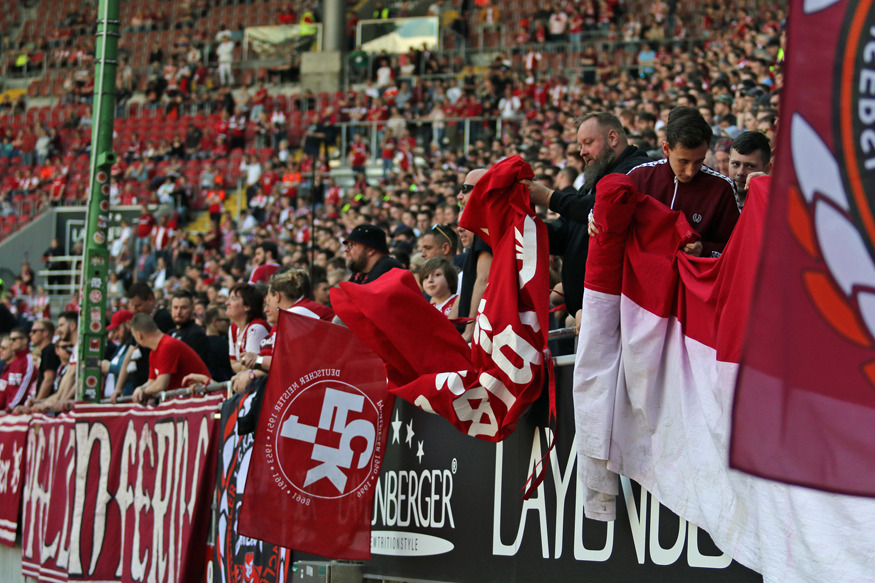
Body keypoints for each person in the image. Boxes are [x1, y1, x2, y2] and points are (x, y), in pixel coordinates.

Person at [526, 112, 652, 332]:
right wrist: (525, 225)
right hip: (590, 313)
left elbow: (602, 210)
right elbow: (565, 234)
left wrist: (548, 197)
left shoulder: (639, 170)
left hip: (620, 314)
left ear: (613, 138)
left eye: (588, 143)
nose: (582, 152)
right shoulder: (595, 178)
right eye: (580, 145)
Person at [626, 106, 739, 257]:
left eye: (698, 161)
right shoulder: (639, 178)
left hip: (693, 278)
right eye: (683, 162)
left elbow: (736, 248)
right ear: (666, 148)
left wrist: (703, 250)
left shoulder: (722, 188)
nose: (690, 171)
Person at [129, 313, 210, 404]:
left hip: (199, 398)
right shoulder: (154, 352)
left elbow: (161, 385)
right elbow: (152, 381)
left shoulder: (167, 346)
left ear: (139, 335)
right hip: (186, 400)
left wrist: (143, 392)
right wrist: (140, 388)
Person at [456, 169, 492, 343]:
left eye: (465, 188)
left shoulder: (487, 224)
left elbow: (484, 279)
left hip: (481, 331)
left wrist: (470, 329)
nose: (459, 196)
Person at [226, 282, 270, 377]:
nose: (227, 303)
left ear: (247, 306)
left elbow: (250, 366)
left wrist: (242, 365)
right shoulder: (233, 328)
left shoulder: (257, 328)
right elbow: (233, 365)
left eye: (233, 299)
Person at [728, 131, 772, 209]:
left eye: (750, 166)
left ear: (768, 169)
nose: (740, 172)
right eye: (735, 164)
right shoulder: (715, 200)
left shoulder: (776, 207)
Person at [169, 289, 210, 363]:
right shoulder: (170, 333)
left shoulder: (196, 334)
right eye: (175, 308)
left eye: (183, 308)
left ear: (192, 309)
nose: (178, 312)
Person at [103, 309, 136, 401]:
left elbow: (131, 368)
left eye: (118, 329)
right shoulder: (121, 346)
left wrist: (109, 367)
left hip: (124, 398)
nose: (116, 334)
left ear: (128, 323)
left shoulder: (135, 344)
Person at [1, 329, 36, 411]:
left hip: (18, 410)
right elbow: (8, 391)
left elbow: (23, 388)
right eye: (10, 339)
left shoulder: (28, 360)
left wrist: (8, 409)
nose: (11, 342)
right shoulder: (15, 362)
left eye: (14, 339)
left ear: (24, 341)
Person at [29, 319, 60, 404]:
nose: (30, 334)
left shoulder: (49, 350)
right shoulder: (45, 351)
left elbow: (49, 379)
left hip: (48, 405)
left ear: (45, 333)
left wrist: (37, 403)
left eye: (34, 331)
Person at [203, 305, 233, 382]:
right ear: (215, 322)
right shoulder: (225, 345)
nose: (229, 323)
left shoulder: (199, 343)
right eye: (226, 320)